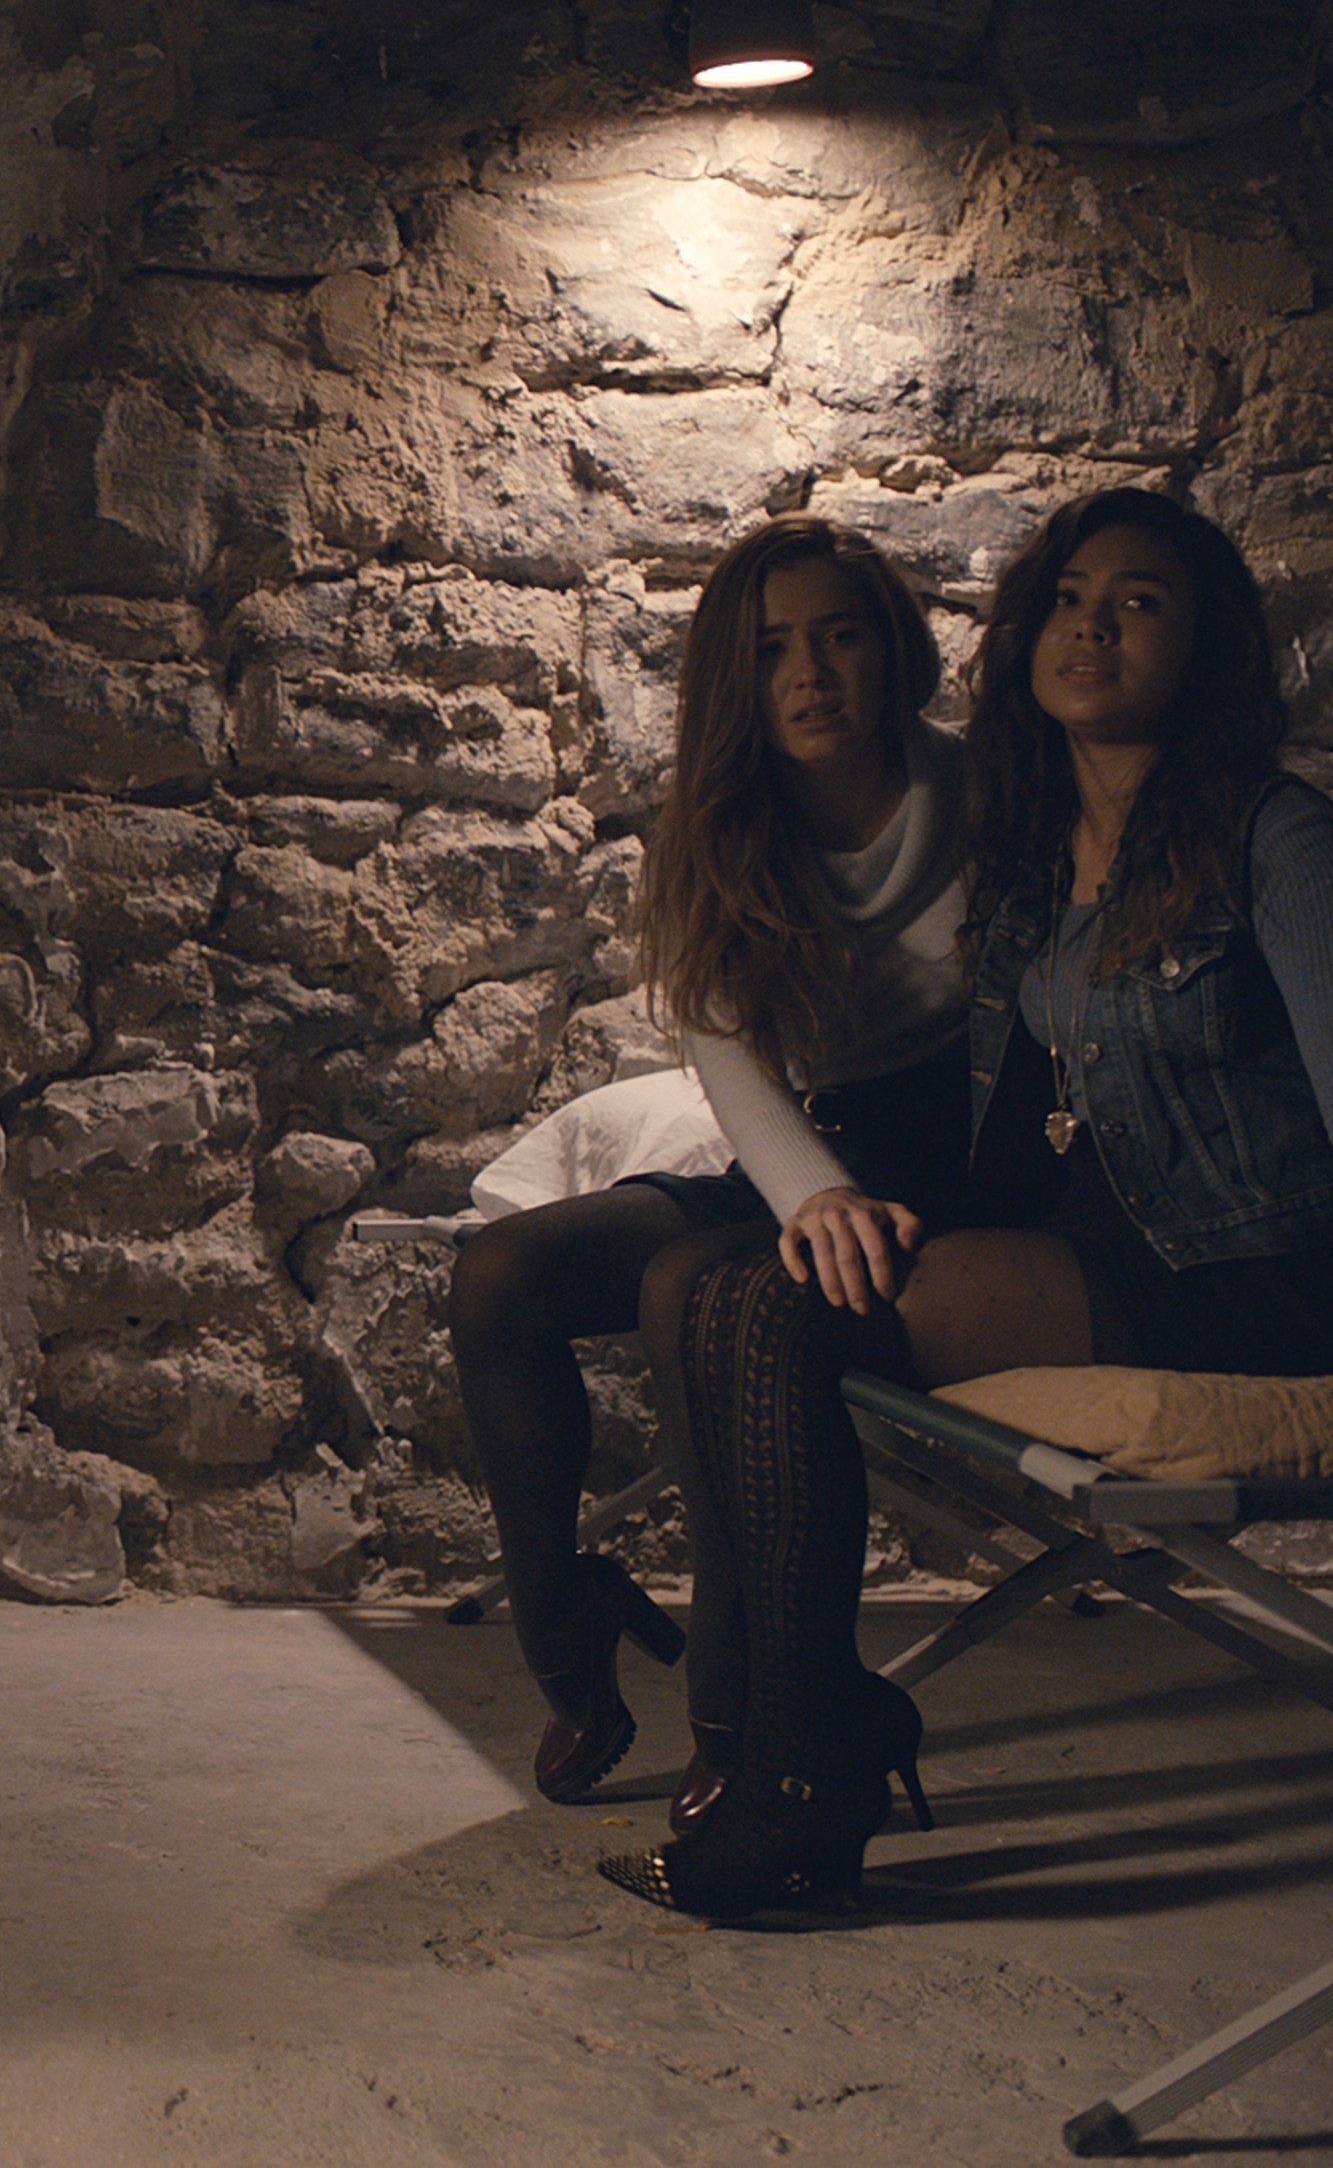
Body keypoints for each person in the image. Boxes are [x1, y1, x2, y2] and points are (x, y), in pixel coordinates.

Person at [600, 487, 1333, 1919]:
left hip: (1248, 1273)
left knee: (774, 1314)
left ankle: (805, 1773)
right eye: (1067, 598)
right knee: (737, 1288)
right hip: (1101, 1241)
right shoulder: (1046, 849)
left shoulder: (1275, 834)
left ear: (1208, 645)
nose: (1092, 626)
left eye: (1139, 601)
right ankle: (816, 1737)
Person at [449, 516, 970, 1809]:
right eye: (772, 649)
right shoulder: (723, 822)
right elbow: (724, 1045)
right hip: (798, 1165)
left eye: (839, 636)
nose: (810, 674)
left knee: (702, 1301)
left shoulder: (982, 794)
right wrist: (810, 1191)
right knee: (501, 1273)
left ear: (892, 648)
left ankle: (741, 1717)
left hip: (948, 1170)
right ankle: (564, 1622)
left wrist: (836, 1200)